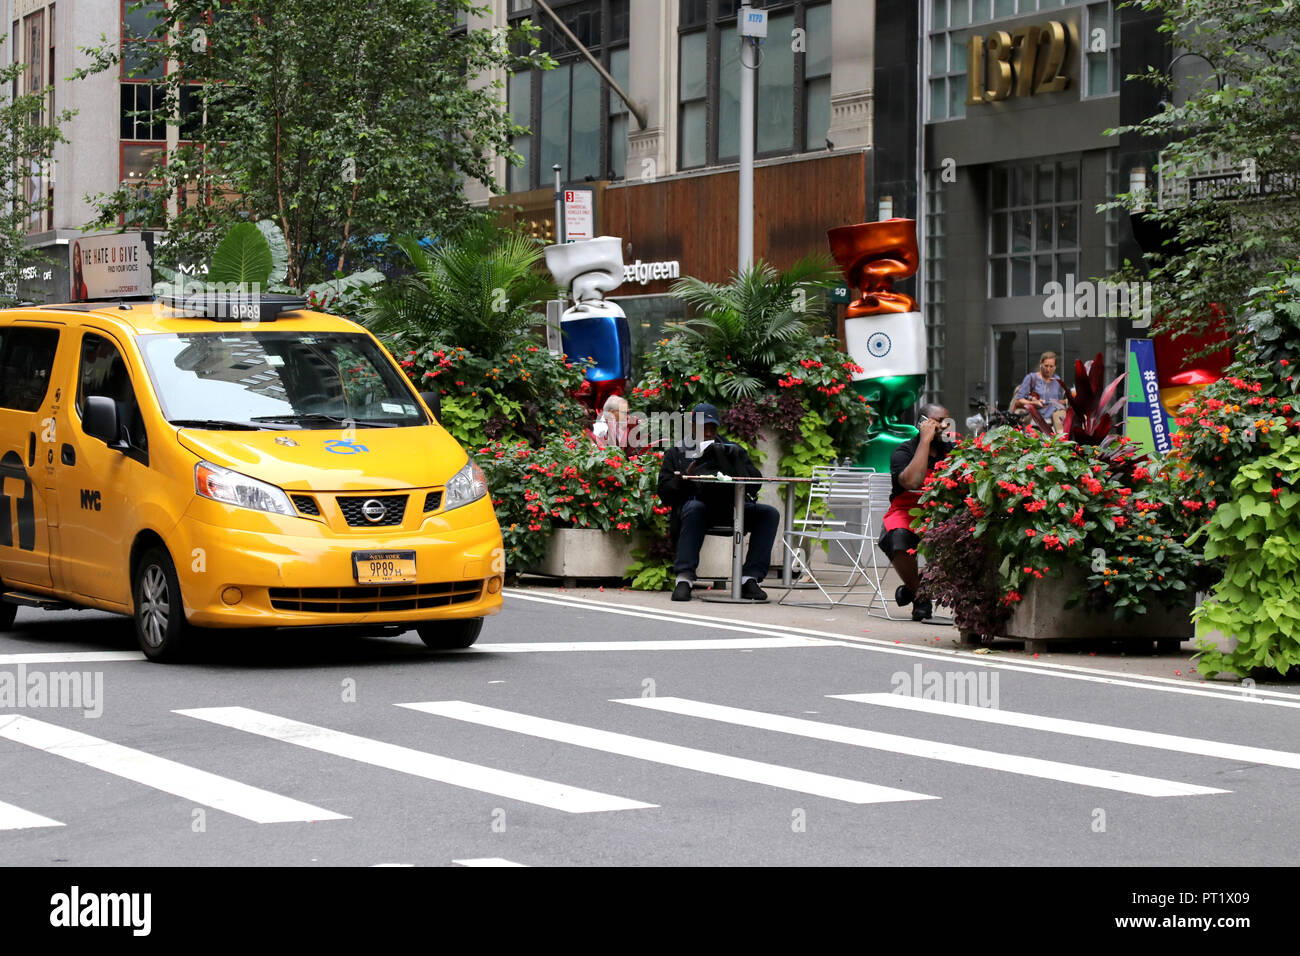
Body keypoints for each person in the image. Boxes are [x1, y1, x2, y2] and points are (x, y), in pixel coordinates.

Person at [656, 402, 780, 603]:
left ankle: (749, 578)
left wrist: (736, 463)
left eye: (712, 427)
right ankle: (684, 579)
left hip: (731, 508)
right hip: (696, 510)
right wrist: (683, 481)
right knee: (695, 508)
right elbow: (664, 493)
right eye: (703, 427)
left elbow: (754, 484)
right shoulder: (677, 452)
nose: (708, 432)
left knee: (769, 514)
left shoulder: (732, 449)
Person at [878, 402, 955, 621]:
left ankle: (913, 591)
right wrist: (924, 441)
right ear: (923, 424)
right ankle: (922, 596)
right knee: (897, 538)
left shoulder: (952, 450)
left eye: (947, 421)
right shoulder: (904, 451)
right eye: (938, 422)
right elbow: (912, 481)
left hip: (941, 512)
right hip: (906, 511)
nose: (945, 427)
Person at [1010, 351, 1067, 433]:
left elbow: (1057, 400)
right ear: (1041, 363)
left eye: (1051, 366)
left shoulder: (1057, 380)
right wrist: (1034, 403)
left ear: (1055, 367)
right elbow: (1019, 401)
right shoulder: (1031, 378)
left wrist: (1066, 402)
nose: (1048, 369)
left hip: (1053, 425)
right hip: (1034, 423)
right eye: (1046, 366)